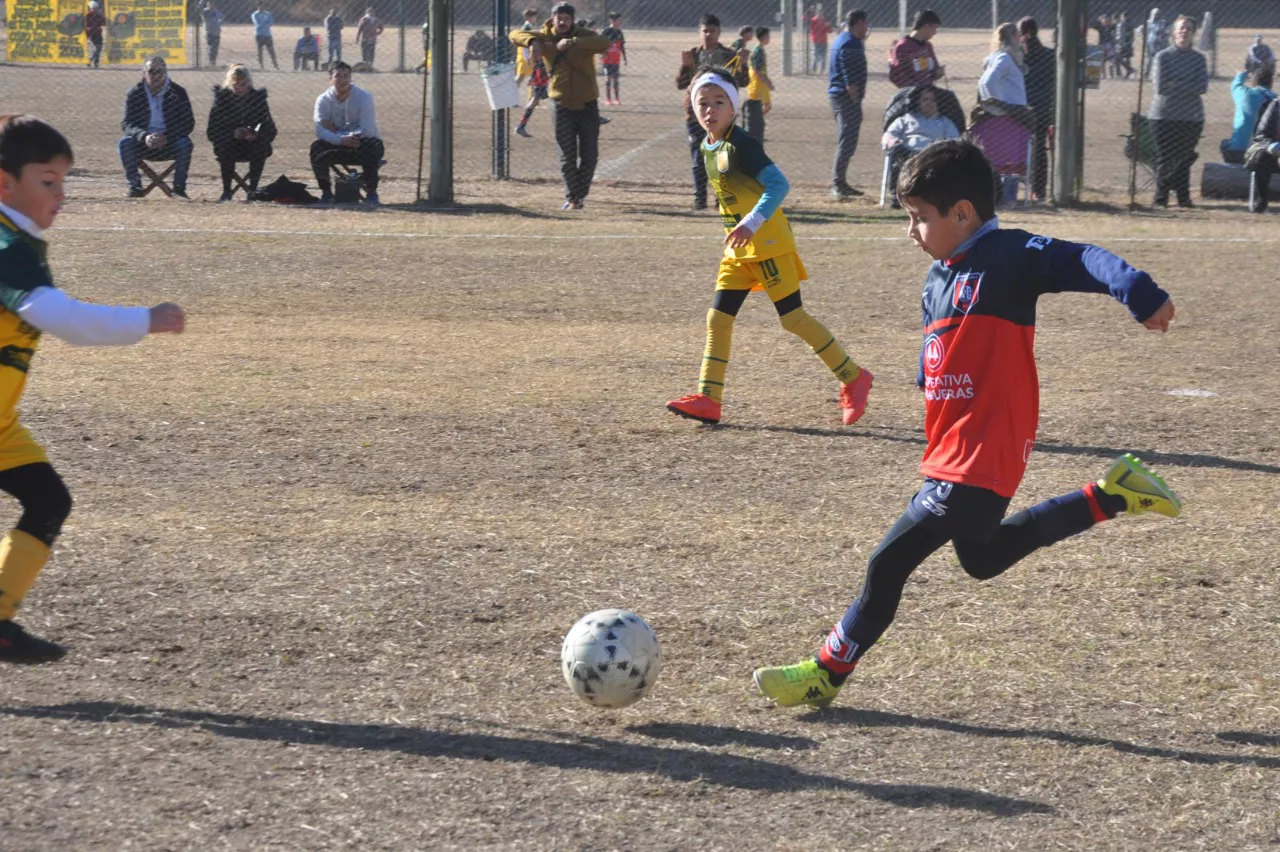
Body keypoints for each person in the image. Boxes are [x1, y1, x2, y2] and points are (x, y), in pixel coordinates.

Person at [753, 139, 1181, 709]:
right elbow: (939, 346)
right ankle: (1111, 495)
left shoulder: (1009, 255)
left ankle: (825, 672)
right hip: (952, 446)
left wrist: (1138, 291)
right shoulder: (939, 275)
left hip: (982, 449)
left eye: (919, 217)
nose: (911, 230)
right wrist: (925, 377)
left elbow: (1082, 258)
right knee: (983, 558)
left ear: (962, 213)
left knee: (888, 563)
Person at [0, 115, 186, 663]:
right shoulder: (6, 245)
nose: (61, 194)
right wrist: (144, 319)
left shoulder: (19, 240)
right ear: (4, 183)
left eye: (64, 180)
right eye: (48, 181)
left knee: (48, 500)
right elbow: (63, 319)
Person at [666, 67, 872, 429]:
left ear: (734, 107)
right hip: (738, 252)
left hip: (769, 245)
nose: (710, 109)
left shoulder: (741, 144)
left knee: (793, 319)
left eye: (719, 102)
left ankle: (854, 377)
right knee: (718, 318)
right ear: (692, 108)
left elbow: (778, 184)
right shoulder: (707, 145)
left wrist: (752, 222)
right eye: (703, 103)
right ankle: (709, 399)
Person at [510, 4, 610, 209]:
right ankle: (573, 199)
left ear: (572, 20)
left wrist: (573, 42)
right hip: (561, 104)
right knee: (567, 155)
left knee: (590, 155)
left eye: (567, 18)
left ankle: (579, 194)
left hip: (587, 104)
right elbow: (514, 35)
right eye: (559, 18)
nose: (563, 22)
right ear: (552, 19)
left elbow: (604, 42)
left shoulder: (583, 35)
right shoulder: (544, 36)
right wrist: (532, 42)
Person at [675, 14, 750, 210]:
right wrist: (684, 66)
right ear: (699, 32)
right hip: (696, 115)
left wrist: (743, 64)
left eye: (712, 31)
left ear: (719, 32)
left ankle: (721, 198)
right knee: (698, 157)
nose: (708, 34)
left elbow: (743, 82)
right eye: (705, 31)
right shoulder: (693, 55)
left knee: (722, 157)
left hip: (722, 116)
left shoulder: (729, 55)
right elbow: (681, 84)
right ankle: (700, 199)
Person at [1149, 15, 1208, 208]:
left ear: (1194, 33)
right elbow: (1161, 87)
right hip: (1163, 116)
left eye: (1189, 28)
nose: (1184, 31)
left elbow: (1202, 87)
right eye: (1181, 28)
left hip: (1191, 118)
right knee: (1165, 158)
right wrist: (1187, 85)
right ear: (1173, 32)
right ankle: (1161, 199)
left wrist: (1175, 82)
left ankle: (1184, 198)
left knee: (1185, 158)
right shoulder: (1162, 57)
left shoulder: (1199, 59)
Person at [118, 57, 195, 199]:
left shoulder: (178, 93)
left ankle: (179, 189)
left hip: (170, 142)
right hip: (143, 143)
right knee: (125, 143)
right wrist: (144, 136)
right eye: (151, 71)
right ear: (144, 73)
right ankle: (135, 187)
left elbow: (188, 123)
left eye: (160, 71)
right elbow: (127, 124)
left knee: (185, 144)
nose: (156, 75)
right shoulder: (135, 93)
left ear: (166, 72)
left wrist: (168, 137)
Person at [311, 61, 384, 205]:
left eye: (346, 76)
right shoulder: (323, 100)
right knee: (316, 148)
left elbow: (367, 128)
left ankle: (372, 193)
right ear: (330, 79)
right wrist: (341, 139)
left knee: (372, 146)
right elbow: (320, 130)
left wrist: (338, 133)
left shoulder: (364, 97)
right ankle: (326, 193)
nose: (343, 80)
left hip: (361, 144)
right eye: (338, 76)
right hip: (337, 145)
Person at [880, 85, 958, 207]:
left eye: (933, 100)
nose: (929, 103)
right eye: (925, 100)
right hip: (906, 153)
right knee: (897, 154)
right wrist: (893, 141)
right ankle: (897, 198)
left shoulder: (945, 122)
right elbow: (889, 135)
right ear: (918, 102)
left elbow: (955, 141)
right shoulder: (905, 119)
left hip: (933, 155)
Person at [207, 64, 277, 201]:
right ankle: (226, 191)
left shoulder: (258, 100)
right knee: (226, 148)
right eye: (235, 84)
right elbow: (212, 131)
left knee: (260, 148)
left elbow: (269, 128)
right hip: (228, 145)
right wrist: (231, 133)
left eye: (243, 84)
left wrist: (255, 133)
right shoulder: (221, 101)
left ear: (249, 83)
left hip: (252, 145)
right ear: (229, 84)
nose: (239, 88)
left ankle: (252, 190)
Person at [828, 9, 869, 199]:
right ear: (859, 23)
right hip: (846, 98)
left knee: (848, 141)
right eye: (865, 23)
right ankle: (838, 184)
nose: (867, 27)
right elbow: (849, 75)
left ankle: (841, 182)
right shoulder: (850, 43)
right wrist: (855, 97)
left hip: (844, 97)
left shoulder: (845, 39)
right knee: (846, 141)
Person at [1018, 17, 1055, 201]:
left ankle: (1014, 183)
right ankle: (1038, 190)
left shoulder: (1019, 55)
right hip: (1044, 108)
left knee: (1016, 145)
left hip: (1021, 108)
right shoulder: (1050, 55)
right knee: (1040, 148)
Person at [1223, 66, 1276, 164]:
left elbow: (1236, 85)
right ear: (1271, 82)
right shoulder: (1276, 100)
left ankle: (1235, 168)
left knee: (1225, 144)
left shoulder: (1244, 94)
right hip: (1265, 153)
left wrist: (1241, 75)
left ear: (1254, 80)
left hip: (1240, 150)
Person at [889, 9, 944, 88]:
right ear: (926, 26)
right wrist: (918, 90)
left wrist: (938, 73)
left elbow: (933, 72)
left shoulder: (928, 46)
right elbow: (897, 77)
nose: (935, 32)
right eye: (935, 28)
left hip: (928, 90)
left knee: (949, 94)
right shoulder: (903, 47)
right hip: (912, 92)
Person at [978, 22, 1026, 108]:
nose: (1020, 38)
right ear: (1013, 36)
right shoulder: (1004, 58)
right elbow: (987, 82)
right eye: (1018, 34)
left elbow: (982, 83)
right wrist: (999, 107)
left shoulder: (996, 56)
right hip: (1013, 110)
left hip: (1012, 109)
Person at [1245, 96, 1280, 212]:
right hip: (1274, 151)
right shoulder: (1276, 105)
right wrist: (1274, 147)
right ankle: (1262, 199)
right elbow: (1261, 135)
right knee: (1262, 157)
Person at [744, 27, 774, 142]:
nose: (769, 38)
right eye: (768, 36)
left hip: (761, 82)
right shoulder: (758, 51)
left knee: (766, 106)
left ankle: (756, 127)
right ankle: (752, 129)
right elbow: (757, 69)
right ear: (763, 37)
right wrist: (767, 81)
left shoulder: (760, 49)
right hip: (757, 83)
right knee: (757, 108)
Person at [515, 43, 549, 138]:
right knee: (535, 100)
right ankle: (521, 126)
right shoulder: (537, 41)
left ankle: (521, 126)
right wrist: (535, 74)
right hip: (543, 72)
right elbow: (534, 58)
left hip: (546, 70)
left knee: (535, 100)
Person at [600, 12, 626, 106]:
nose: (620, 22)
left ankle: (616, 99)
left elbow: (622, 45)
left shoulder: (619, 32)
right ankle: (608, 99)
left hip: (616, 59)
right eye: (618, 20)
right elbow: (600, 43)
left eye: (620, 20)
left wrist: (625, 58)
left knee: (616, 79)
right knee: (608, 79)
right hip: (607, 59)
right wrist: (603, 52)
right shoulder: (606, 31)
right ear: (612, 20)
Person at [514, 8, 539, 86]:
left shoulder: (529, 26)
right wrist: (527, 57)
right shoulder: (526, 27)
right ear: (529, 18)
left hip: (527, 54)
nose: (536, 18)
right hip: (525, 55)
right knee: (521, 76)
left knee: (530, 75)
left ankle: (532, 91)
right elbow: (524, 44)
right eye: (534, 17)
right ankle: (511, 90)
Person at [252, 5, 278, 70]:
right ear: (258, 6)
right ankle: (261, 66)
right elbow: (257, 23)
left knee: (271, 51)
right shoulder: (255, 14)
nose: (262, 7)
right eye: (260, 6)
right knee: (260, 52)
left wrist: (264, 24)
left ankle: (276, 66)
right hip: (259, 35)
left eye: (263, 6)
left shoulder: (267, 13)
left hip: (268, 35)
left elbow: (271, 22)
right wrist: (266, 23)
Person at [808, 5, 832, 75]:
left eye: (821, 14)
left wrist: (828, 26)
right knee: (816, 55)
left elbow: (830, 31)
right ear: (816, 14)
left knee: (823, 56)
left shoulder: (824, 21)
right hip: (816, 41)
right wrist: (810, 12)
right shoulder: (813, 20)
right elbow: (812, 26)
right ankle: (814, 69)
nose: (821, 15)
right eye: (819, 14)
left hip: (823, 41)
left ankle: (822, 70)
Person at [1144, 10, 1168, 79]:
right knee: (1149, 59)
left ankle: (1159, 74)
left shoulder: (1163, 23)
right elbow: (1141, 29)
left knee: (1159, 59)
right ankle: (1146, 74)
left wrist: (1164, 34)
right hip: (1150, 43)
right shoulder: (1148, 22)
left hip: (1160, 44)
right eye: (1155, 14)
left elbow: (1167, 31)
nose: (1156, 16)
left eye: (1158, 14)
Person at [84, 1, 105, 68]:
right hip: (91, 33)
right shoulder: (87, 15)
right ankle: (91, 60)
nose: (95, 9)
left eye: (96, 8)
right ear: (91, 8)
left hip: (98, 33)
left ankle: (95, 62)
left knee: (98, 48)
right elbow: (84, 24)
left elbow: (104, 21)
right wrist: (88, 29)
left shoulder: (99, 16)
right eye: (94, 8)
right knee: (97, 48)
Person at [1114, 11, 1134, 78]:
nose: (1122, 18)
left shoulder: (1123, 24)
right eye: (1122, 17)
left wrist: (1124, 42)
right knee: (1125, 58)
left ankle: (1128, 70)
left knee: (1119, 58)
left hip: (1124, 44)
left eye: (1123, 17)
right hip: (1126, 44)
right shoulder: (1128, 24)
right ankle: (1128, 71)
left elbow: (1121, 35)